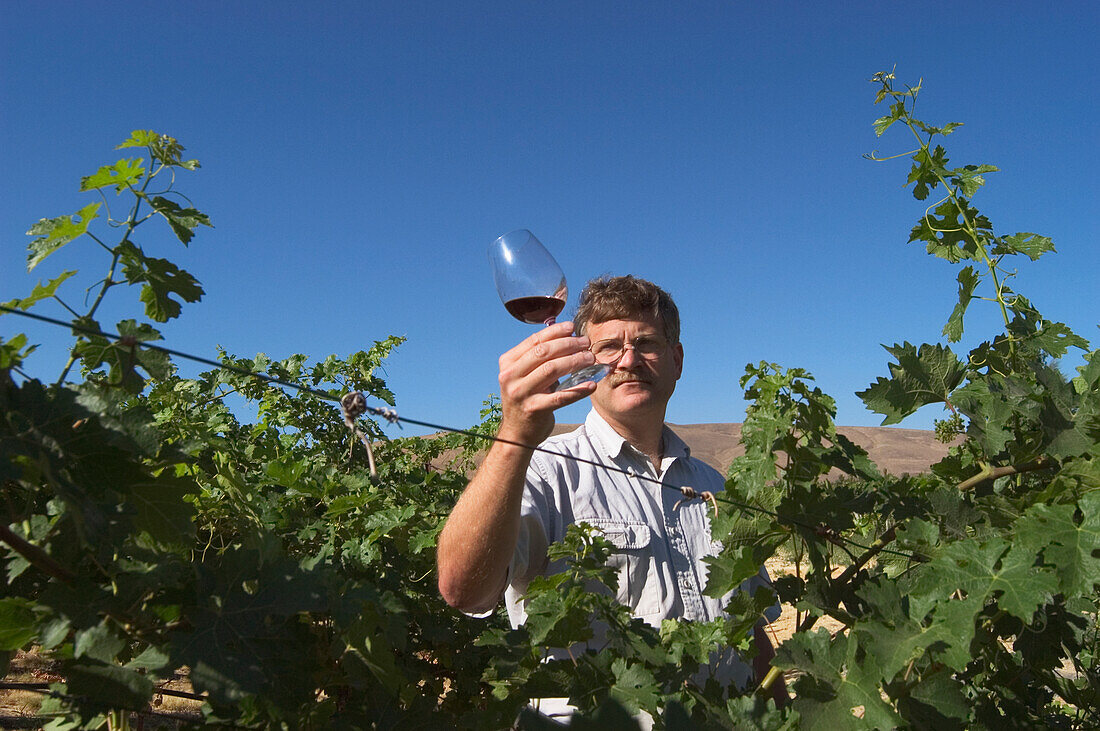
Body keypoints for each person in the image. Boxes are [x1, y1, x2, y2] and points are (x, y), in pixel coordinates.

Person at [437, 275, 787, 711]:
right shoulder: (544, 471)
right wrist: (515, 436)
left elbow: (753, 636)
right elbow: (463, 589)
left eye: (646, 343)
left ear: (676, 360)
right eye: (608, 347)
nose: (628, 360)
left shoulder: (715, 486)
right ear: (582, 361)